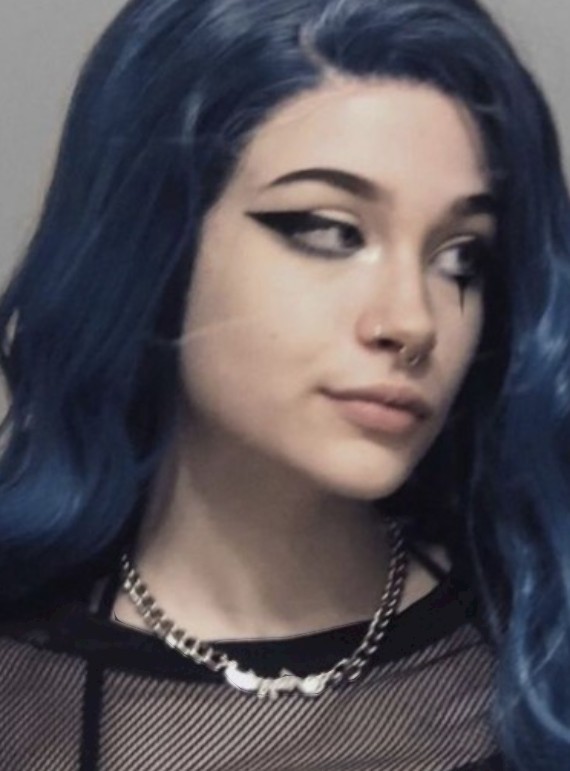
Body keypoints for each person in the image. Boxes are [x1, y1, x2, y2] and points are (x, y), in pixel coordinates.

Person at [0, 0, 569, 768]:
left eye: (460, 256)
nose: (412, 321)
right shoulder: (20, 690)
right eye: (330, 231)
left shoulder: (540, 644)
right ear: (158, 242)